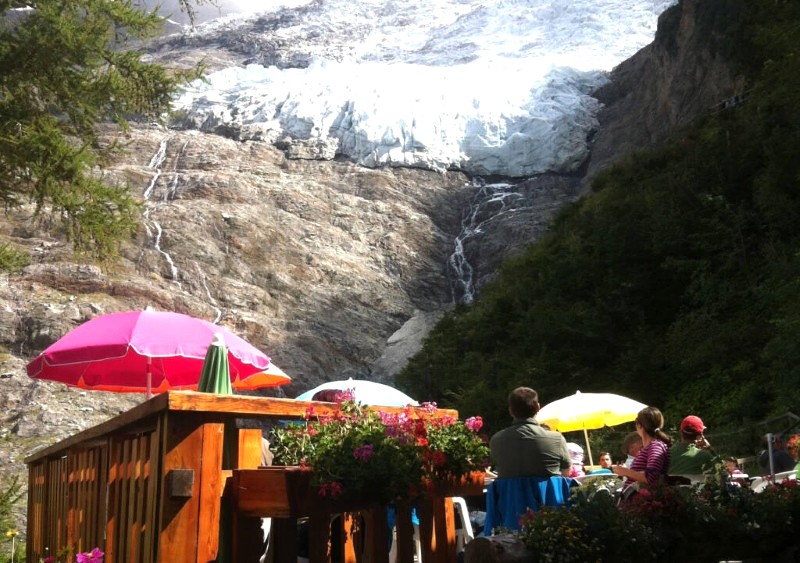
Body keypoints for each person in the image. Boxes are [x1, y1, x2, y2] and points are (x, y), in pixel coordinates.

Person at [489, 387, 571, 478]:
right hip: (546, 492)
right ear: (537, 407)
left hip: (511, 492)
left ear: (510, 411)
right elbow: (566, 473)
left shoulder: (496, 440)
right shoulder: (556, 439)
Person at [611, 406, 672, 490]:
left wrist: (625, 471)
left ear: (639, 425)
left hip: (645, 501)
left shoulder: (655, 447)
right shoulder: (651, 447)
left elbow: (650, 478)